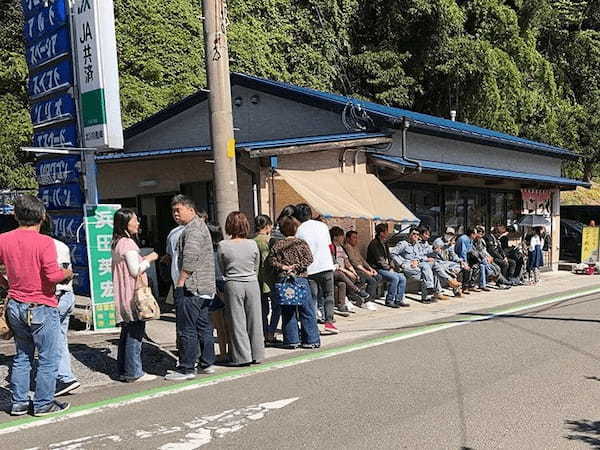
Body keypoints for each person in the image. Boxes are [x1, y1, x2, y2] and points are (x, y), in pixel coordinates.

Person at [2, 195, 74, 416]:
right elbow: (53, 275)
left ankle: (19, 402)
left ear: (15, 215)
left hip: (15, 303)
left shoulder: (3, 239)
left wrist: (6, 284)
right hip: (41, 304)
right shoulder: (45, 242)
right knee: (47, 357)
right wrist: (68, 273)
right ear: (42, 216)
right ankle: (44, 403)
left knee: (22, 355)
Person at [165, 195, 216, 380]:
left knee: (187, 328)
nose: (175, 214)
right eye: (173, 211)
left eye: (178, 210)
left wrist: (180, 281)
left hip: (192, 286)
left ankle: (187, 368)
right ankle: (207, 363)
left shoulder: (193, 229)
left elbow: (190, 257)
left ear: (191, 209)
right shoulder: (199, 226)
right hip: (204, 287)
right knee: (203, 326)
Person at [111, 208, 159, 383]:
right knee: (135, 333)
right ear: (125, 223)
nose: (138, 223)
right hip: (133, 295)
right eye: (134, 220)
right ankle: (134, 371)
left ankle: (124, 369)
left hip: (123, 295)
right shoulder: (128, 244)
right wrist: (150, 259)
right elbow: (135, 270)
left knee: (127, 332)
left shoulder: (117, 243)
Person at [217, 212, 265, 366]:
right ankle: (257, 354)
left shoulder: (223, 245)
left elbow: (222, 268)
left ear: (228, 226)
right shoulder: (252, 244)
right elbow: (256, 266)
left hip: (233, 283)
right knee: (255, 320)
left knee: (237, 322)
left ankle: (242, 357)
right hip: (252, 282)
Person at [40, 215, 80, 396]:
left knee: (49, 342)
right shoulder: (61, 245)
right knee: (60, 338)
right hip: (67, 295)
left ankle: (62, 378)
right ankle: (66, 376)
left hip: (53, 296)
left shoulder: (41, 246)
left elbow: (51, 275)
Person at [268, 216, 320, 349]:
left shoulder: (277, 245)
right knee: (306, 309)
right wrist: (296, 266)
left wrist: (284, 267)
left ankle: (292, 340)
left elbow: (272, 261)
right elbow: (309, 259)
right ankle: (311, 340)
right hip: (300, 278)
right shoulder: (301, 243)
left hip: (284, 279)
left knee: (287, 310)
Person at [294, 204, 338, 334]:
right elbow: (330, 246)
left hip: (310, 269)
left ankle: (312, 324)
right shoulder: (323, 226)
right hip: (326, 265)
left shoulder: (299, 230)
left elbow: (300, 250)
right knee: (328, 295)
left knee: (312, 298)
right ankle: (329, 322)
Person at [390, 226, 447, 303]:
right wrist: (401, 263)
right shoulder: (403, 244)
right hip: (407, 266)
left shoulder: (416, 245)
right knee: (427, 272)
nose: (415, 236)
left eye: (417, 234)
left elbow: (419, 256)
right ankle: (428, 292)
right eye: (413, 234)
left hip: (416, 265)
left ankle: (429, 290)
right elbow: (393, 253)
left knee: (431, 265)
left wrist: (418, 260)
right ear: (409, 234)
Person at [367, 223, 408, 308]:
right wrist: (389, 268)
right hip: (377, 268)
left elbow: (389, 257)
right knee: (395, 278)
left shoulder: (385, 243)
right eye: (386, 231)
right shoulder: (374, 244)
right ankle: (389, 300)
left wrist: (392, 266)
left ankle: (399, 300)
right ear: (381, 233)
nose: (388, 233)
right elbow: (379, 260)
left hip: (386, 268)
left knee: (402, 278)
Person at [329, 227, 369, 312]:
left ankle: (341, 305)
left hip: (342, 271)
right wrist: (348, 272)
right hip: (334, 271)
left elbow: (347, 262)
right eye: (341, 236)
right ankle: (357, 291)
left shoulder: (341, 248)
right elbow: (335, 264)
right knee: (342, 275)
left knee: (343, 283)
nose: (342, 238)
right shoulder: (331, 247)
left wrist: (353, 272)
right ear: (335, 237)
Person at [253, 215, 279, 345]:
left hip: (256, 279)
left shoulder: (251, 240)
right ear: (268, 226)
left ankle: (264, 332)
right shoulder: (271, 240)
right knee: (276, 307)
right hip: (271, 279)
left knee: (262, 309)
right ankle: (271, 332)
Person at [343, 230, 383, 301]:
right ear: (348, 239)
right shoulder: (347, 247)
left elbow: (362, 260)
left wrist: (370, 268)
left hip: (361, 269)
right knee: (372, 280)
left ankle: (371, 297)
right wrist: (366, 271)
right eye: (354, 238)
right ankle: (367, 300)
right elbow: (354, 262)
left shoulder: (355, 247)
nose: (356, 240)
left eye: (356, 238)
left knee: (378, 277)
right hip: (355, 270)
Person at [431, 227, 469, 297]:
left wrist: (461, 261)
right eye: (448, 233)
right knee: (441, 268)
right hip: (438, 261)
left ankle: (456, 288)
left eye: (451, 234)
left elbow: (453, 255)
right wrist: (447, 245)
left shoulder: (451, 244)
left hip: (447, 263)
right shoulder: (438, 241)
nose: (449, 235)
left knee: (460, 266)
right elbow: (437, 250)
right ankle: (441, 291)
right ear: (444, 233)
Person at [455, 228, 488, 292]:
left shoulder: (470, 239)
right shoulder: (463, 239)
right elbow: (463, 252)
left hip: (468, 257)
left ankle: (472, 285)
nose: (476, 235)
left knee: (477, 266)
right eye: (475, 234)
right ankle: (465, 287)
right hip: (460, 258)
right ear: (471, 234)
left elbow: (471, 250)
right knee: (467, 269)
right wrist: (465, 263)